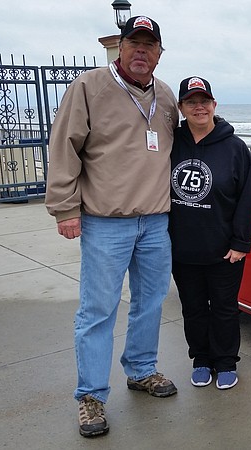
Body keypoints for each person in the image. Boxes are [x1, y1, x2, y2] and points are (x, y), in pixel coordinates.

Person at [44, 16, 179, 438]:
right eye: (134, 43)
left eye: (149, 45)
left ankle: (141, 370)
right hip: (106, 223)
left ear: (160, 53)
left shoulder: (167, 95)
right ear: (120, 48)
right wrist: (65, 208)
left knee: (151, 302)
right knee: (97, 311)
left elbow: (188, 140)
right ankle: (91, 396)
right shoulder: (89, 87)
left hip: (156, 221)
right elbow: (64, 146)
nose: (141, 51)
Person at [169, 76, 251, 391]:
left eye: (204, 101)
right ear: (181, 107)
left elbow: (249, 195)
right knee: (192, 308)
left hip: (225, 251)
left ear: (214, 105)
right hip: (181, 249)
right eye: (191, 102)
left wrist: (241, 241)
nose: (199, 107)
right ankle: (201, 360)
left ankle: (225, 362)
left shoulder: (234, 146)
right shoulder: (171, 142)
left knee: (224, 307)